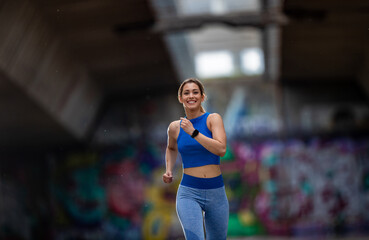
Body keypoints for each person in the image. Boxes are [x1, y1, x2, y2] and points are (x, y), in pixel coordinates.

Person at [162, 78, 229, 240]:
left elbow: (221, 149)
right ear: (180, 98)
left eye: (195, 92)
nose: (191, 96)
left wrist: (194, 132)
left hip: (217, 194)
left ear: (202, 97)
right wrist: (169, 170)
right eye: (186, 93)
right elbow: (171, 148)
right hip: (189, 193)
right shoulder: (175, 127)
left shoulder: (213, 119)